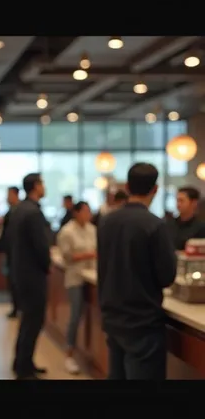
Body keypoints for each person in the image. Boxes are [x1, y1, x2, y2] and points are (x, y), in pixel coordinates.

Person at [97, 163, 177, 380]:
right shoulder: (154, 225)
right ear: (155, 189)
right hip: (142, 319)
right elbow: (166, 276)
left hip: (112, 315)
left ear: (128, 186)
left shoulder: (106, 221)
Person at [8, 172, 50, 380]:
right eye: (42, 183)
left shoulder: (20, 209)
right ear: (35, 186)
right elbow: (41, 246)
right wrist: (47, 265)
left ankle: (22, 362)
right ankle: (24, 367)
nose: (44, 187)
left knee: (27, 320)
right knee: (33, 320)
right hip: (33, 274)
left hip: (20, 272)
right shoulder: (33, 212)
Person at [57, 201, 96, 375]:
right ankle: (69, 353)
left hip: (92, 275)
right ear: (76, 213)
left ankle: (88, 351)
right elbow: (67, 256)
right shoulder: (67, 231)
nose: (88, 215)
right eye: (85, 211)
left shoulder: (92, 229)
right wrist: (88, 255)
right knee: (75, 314)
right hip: (75, 277)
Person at [0, 186, 20, 318]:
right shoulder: (11, 211)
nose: (7, 197)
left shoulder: (18, 212)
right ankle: (15, 306)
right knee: (12, 280)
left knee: (16, 281)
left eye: (9, 194)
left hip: (16, 253)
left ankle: (18, 307)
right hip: (11, 252)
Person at [168, 186, 205, 251]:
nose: (178, 204)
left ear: (194, 203)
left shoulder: (201, 227)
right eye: (177, 200)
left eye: (181, 201)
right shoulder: (168, 224)